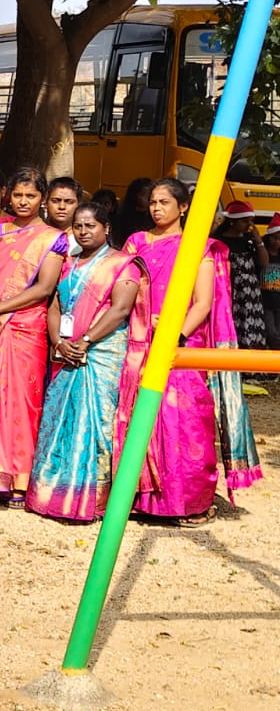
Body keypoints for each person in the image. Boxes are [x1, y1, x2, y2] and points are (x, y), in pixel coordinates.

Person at [116, 179, 262, 523]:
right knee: (137, 419)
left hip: (182, 345)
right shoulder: (137, 242)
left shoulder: (198, 247)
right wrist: (142, 320)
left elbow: (202, 303)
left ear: (183, 207)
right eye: (153, 202)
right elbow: (120, 286)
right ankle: (139, 500)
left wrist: (174, 333)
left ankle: (189, 502)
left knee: (185, 422)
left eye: (164, 202)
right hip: (138, 341)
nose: (156, 208)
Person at [0, 168, 68, 503]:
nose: (23, 201)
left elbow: (43, 288)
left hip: (25, 327)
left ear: (42, 199)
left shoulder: (52, 238)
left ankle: (17, 477)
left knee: (20, 402)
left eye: (30, 196)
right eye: (18, 195)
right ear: (9, 196)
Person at [26, 202, 142, 522]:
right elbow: (54, 305)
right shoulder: (67, 262)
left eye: (91, 226)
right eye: (78, 226)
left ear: (106, 228)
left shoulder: (122, 264)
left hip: (102, 353)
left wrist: (86, 341)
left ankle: (91, 501)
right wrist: (58, 342)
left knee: (96, 424)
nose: (83, 231)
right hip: (67, 351)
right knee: (59, 419)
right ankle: (50, 495)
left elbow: (120, 309)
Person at [213, 201, 267, 351]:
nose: (249, 225)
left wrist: (258, 241)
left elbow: (264, 262)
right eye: (244, 221)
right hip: (230, 289)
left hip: (250, 292)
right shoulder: (219, 241)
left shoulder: (249, 241)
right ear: (232, 221)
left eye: (251, 221)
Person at [112, 177, 154, 248]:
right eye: (144, 194)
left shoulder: (155, 217)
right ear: (134, 195)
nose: (149, 198)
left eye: (151, 194)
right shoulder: (122, 218)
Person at [262, 218, 280, 347]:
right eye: (274, 238)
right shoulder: (262, 254)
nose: (277, 242)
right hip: (265, 299)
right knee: (271, 331)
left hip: (278, 300)